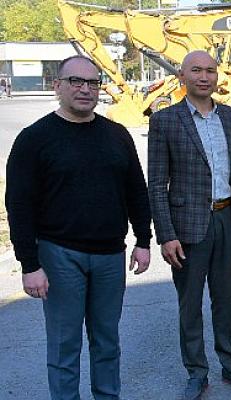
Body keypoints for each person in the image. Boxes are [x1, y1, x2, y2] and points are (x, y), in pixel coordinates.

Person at [6, 55, 151, 399]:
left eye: (93, 83)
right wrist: (29, 265)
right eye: (76, 81)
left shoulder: (117, 135)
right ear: (58, 85)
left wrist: (143, 240)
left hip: (110, 257)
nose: (85, 89)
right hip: (59, 256)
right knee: (64, 345)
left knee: (107, 342)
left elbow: (136, 190)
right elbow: (19, 205)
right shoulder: (34, 138)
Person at [147, 50, 231, 400]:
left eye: (210, 70)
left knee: (225, 298)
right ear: (182, 76)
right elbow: (156, 184)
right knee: (190, 303)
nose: (204, 77)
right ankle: (196, 371)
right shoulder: (164, 120)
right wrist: (166, 235)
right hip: (186, 226)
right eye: (196, 70)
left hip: (226, 218)